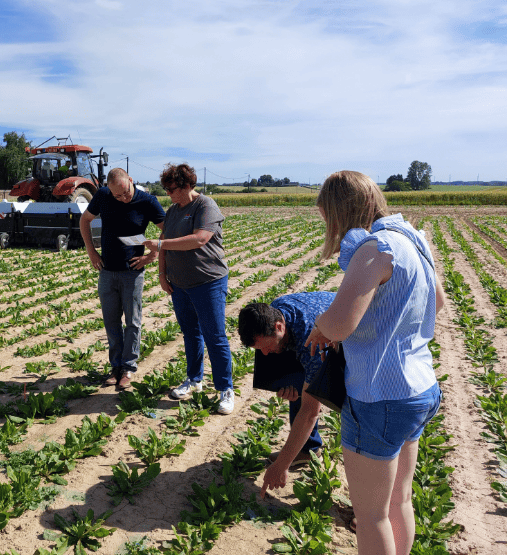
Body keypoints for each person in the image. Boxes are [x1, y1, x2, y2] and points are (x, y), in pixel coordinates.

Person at [304, 171, 444, 555]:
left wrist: (320, 325)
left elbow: (339, 323)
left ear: (339, 213)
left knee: (370, 517)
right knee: (400, 502)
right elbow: (438, 304)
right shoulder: (413, 239)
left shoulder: (374, 249)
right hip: (419, 389)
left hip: (378, 396)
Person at [143, 163, 234, 415]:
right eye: (166, 189)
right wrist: (162, 274)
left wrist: (161, 244)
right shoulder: (173, 211)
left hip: (208, 282)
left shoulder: (206, 206)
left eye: (171, 189)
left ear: (186, 185)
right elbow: (164, 246)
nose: (168, 193)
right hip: (180, 284)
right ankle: (194, 380)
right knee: (190, 333)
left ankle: (225, 389)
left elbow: (200, 238)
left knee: (215, 336)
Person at [237, 293, 335, 494]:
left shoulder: (312, 344)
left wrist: (280, 466)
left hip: (354, 333)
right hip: (308, 328)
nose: (264, 354)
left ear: (279, 327)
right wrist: (290, 382)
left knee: (326, 397)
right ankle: (307, 449)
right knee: (298, 387)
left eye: (266, 346)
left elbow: (310, 413)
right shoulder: (274, 310)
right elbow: (282, 351)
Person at [80, 168, 166, 390]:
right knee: (111, 322)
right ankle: (115, 367)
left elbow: (167, 230)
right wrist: (91, 251)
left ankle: (128, 367)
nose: (122, 198)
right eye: (117, 196)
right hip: (107, 270)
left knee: (133, 322)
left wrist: (152, 255)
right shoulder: (103, 196)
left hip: (132, 272)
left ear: (131, 180)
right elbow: (85, 220)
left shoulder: (147, 201)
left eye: (125, 193)